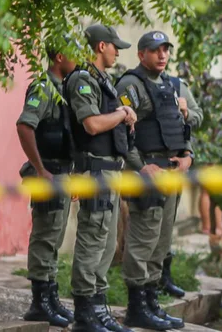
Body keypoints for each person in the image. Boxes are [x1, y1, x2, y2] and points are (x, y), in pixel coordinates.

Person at [116, 31, 202, 330]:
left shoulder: (169, 85)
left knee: (161, 241)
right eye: (155, 50)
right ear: (141, 54)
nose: (162, 55)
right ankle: (136, 307)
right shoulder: (131, 84)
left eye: (165, 50)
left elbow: (180, 129)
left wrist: (187, 155)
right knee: (142, 241)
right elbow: (121, 134)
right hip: (146, 173)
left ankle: (151, 302)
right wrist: (141, 167)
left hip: (170, 171)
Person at [63, 24, 137, 332]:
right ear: (101, 46)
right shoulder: (83, 80)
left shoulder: (102, 80)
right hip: (94, 171)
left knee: (107, 243)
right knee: (92, 240)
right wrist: (122, 114)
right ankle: (84, 312)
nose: (118, 52)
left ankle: (98, 306)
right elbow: (91, 124)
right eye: (114, 46)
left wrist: (126, 119)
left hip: (110, 170)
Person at [17, 48, 79, 327]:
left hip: (62, 173)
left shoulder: (64, 89)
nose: (78, 60)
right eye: (73, 54)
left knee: (54, 237)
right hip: (48, 174)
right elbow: (25, 126)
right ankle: (39, 302)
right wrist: (41, 169)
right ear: (59, 58)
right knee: (45, 236)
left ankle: (50, 297)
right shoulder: (43, 87)